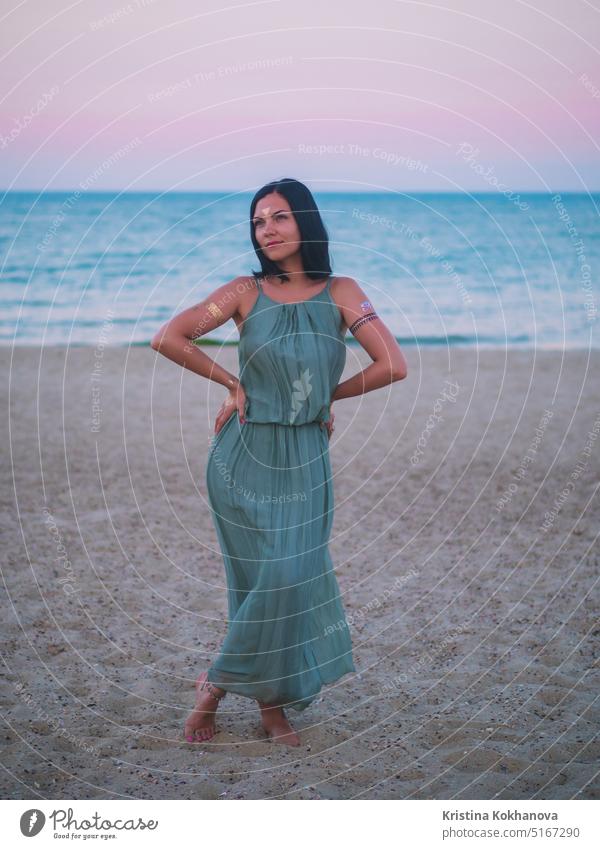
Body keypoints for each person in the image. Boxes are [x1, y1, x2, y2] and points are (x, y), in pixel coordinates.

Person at [151, 177, 407, 746]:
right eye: (259, 220)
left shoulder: (343, 291)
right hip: (243, 453)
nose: (267, 229)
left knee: (287, 579)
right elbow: (170, 337)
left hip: (305, 453)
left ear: (305, 222)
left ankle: (234, 692)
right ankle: (263, 704)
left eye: (280, 217)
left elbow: (392, 364)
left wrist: (325, 398)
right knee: (263, 580)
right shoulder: (243, 291)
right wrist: (232, 382)